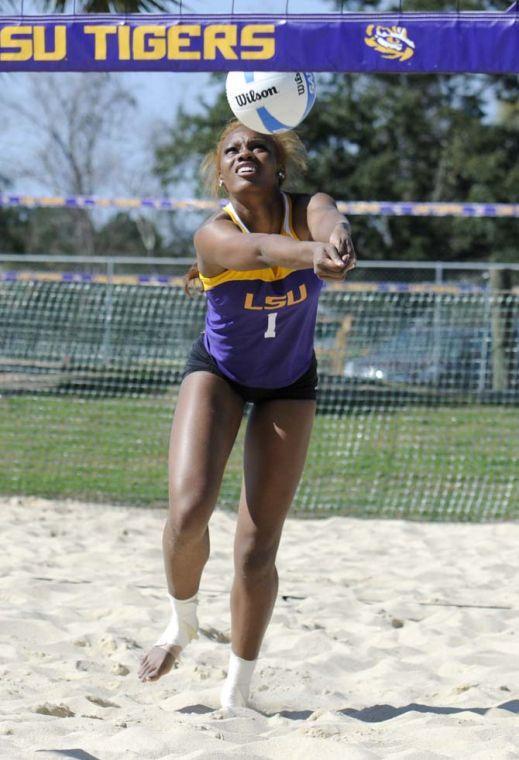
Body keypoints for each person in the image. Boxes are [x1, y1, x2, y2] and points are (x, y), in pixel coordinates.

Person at [137, 119, 356, 709]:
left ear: (278, 161)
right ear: (220, 171)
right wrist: (314, 255)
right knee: (188, 512)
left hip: (289, 382)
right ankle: (182, 623)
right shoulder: (214, 234)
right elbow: (262, 251)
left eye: (258, 145)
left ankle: (238, 690)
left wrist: (336, 240)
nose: (245, 154)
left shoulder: (307, 207)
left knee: (257, 549)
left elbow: (331, 220)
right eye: (232, 149)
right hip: (220, 373)